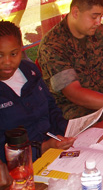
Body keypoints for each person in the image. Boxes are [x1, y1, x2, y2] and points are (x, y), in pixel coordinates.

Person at [0, 21, 75, 163]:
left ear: (21, 49)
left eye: (14, 53)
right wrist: (44, 147)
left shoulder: (30, 71)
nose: (7, 61)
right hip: (21, 166)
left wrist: (67, 131)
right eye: (0, 55)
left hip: (56, 149)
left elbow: (51, 107)